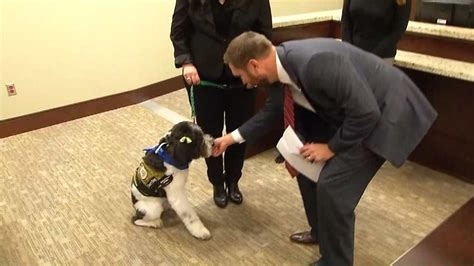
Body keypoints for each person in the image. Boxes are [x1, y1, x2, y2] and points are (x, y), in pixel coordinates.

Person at [213, 31, 437, 265]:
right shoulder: (278, 68)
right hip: (351, 113)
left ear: (254, 65)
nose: (246, 84)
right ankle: (321, 233)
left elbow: (366, 113)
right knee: (305, 163)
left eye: (242, 76)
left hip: (384, 113)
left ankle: (336, 261)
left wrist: (331, 148)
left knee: (333, 187)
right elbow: (273, 111)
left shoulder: (315, 62)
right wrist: (230, 138)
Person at [170, 0, 272, 208]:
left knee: (239, 132)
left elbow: (264, 35)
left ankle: (233, 180)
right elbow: (178, 30)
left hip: (243, 79)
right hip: (204, 77)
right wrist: (186, 62)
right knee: (210, 132)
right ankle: (217, 182)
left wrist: (256, 72)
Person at [341, 0, 411, 64]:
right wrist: (349, 50)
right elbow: (345, 21)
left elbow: (398, 30)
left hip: (382, 57)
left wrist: (371, 57)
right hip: (352, 54)